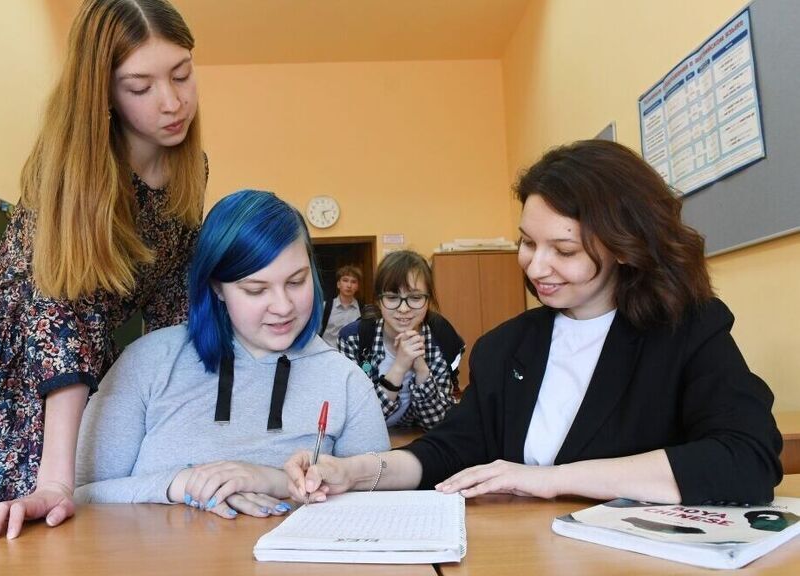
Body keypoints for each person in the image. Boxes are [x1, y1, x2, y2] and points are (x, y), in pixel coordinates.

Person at [285, 140, 783, 507]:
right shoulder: (507, 347)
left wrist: (549, 479)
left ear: (624, 246)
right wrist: (355, 471)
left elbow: (747, 458)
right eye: (527, 242)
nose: (536, 266)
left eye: (563, 250)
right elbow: (448, 450)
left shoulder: (687, 331)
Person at [0, 0, 206, 540]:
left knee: (103, 530)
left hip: (90, 366)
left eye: (181, 74)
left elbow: (173, 308)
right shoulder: (76, 173)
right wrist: (56, 480)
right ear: (103, 93)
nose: (173, 102)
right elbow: (60, 314)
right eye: (140, 87)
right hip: (10, 369)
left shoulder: (188, 166)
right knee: (13, 533)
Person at [74, 190, 389, 517]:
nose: (283, 306)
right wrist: (181, 485)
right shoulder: (147, 362)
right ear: (216, 286)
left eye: (296, 282)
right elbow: (78, 495)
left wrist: (277, 482)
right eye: (256, 289)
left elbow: (379, 510)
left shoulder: (346, 381)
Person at [337, 250, 464, 430]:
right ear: (378, 300)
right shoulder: (353, 339)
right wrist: (399, 367)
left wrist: (421, 368)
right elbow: (358, 420)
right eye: (392, 297)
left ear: (428, 300)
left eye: (415, 298)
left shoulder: (441, 340)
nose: (403, 309)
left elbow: (438, 423)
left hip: (417, 442)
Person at [319, 264, 362, 348]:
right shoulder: (325, 307)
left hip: (352, 354)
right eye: (345, 280)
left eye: (353, 282)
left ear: (357, 286)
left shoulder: (362, 309)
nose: (349, 285)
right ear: (338, 284)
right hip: (328, 353)